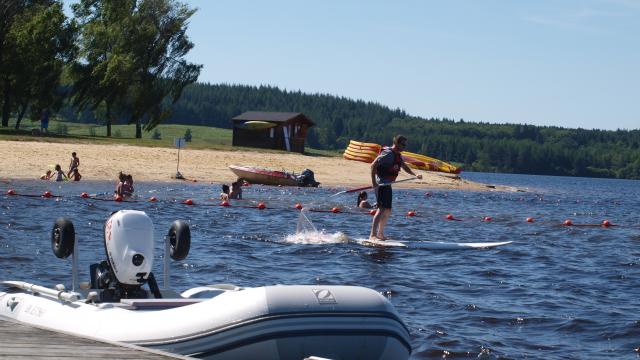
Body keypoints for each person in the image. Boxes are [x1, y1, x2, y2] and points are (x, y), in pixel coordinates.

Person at [369, 135, 422, 241]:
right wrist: (374, 182)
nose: (404, 146)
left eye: (405, 144)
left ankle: (380, 234)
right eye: (403, 144)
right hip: (381, 184)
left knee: (388, 210)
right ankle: (372, 235)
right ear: (397, 143)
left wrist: (414, 175)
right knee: (381, 209)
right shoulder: (388, 153)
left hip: (387, 184)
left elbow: (404, 166)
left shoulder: (397, 155)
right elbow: (373, 165)